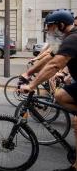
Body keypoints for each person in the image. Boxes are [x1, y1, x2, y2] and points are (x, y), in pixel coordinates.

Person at [19, 9, 77, 171]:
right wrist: (28, 73)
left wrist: (32, 85)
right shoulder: (65, 39)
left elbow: (55, 65)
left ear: (61, 25)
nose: (48, 31)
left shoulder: (73, 39)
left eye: (50, 27)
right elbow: (49, 57)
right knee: (60, 95)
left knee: (76, 122)